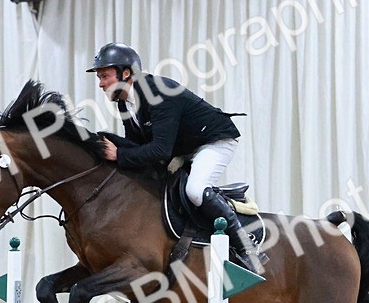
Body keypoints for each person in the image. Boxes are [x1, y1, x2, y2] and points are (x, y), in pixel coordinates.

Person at [87, 42, 260, 272]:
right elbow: (137, 145)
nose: (100, 84)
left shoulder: (158, 92)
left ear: (125, 73)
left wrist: (119, 153)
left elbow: (159, 151)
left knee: (195, 190)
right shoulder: (124, 101)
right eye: (99, 77)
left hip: (214, 141)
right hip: (183, 147)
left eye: (104, 76)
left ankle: (247, 249)